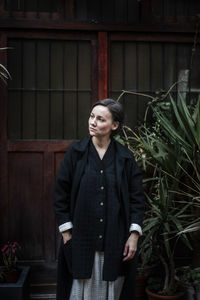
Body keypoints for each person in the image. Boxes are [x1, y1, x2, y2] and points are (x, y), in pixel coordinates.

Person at [53, 98, 144, 300]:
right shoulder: (75, 154)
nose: (92, 122)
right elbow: (60, 195)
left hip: (115, 240)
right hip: (79, 239)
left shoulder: (125, 158)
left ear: (114, 125)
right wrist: (67, 233)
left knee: (112, 288)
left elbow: (137, 199)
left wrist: (134, 235)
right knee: (78, 288)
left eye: (100, 119)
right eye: (92, 116)